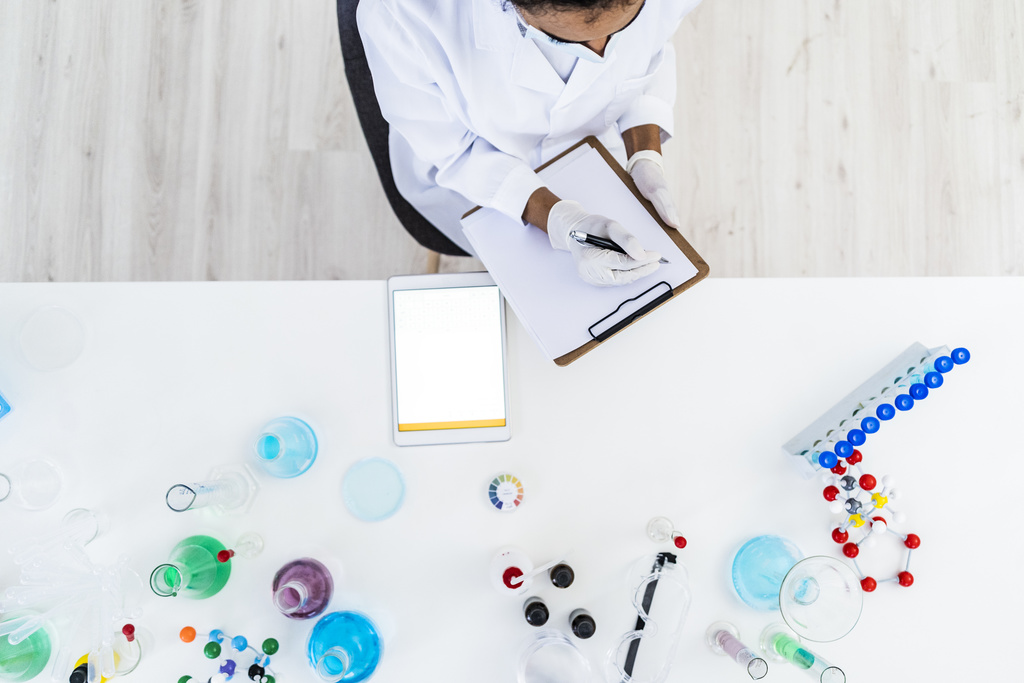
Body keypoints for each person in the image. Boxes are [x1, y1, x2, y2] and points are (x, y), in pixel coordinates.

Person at [358, 0, 701, 286]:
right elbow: (455, 153)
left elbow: (653, 51)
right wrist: (558, 219)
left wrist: (645, 153)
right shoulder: (400, 14)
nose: (601, 52)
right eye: (564, 41)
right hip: (475, 182)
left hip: (597, 156)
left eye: (623, 27)